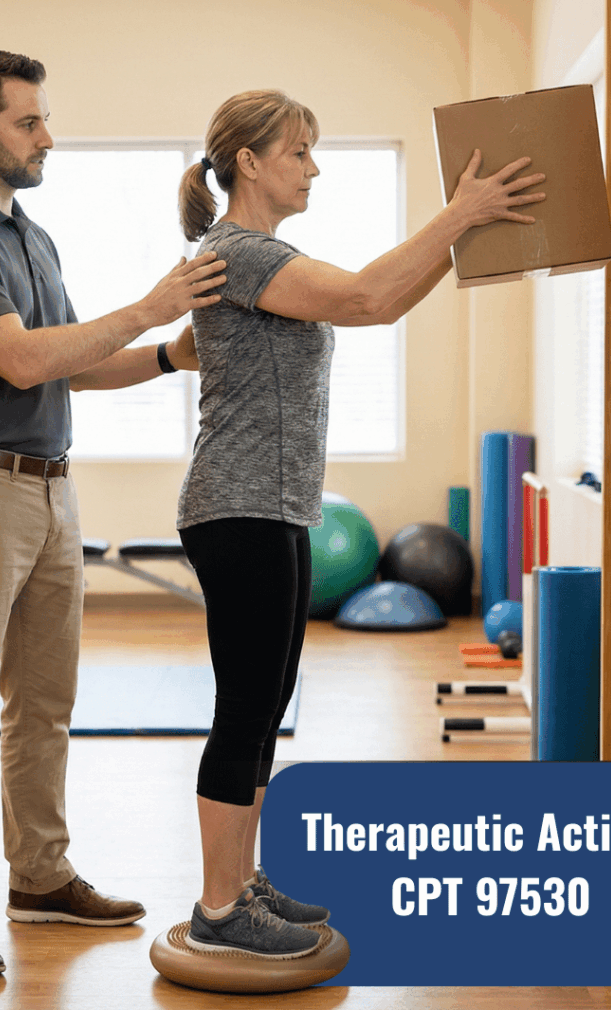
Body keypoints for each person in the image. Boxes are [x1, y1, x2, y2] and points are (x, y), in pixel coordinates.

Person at [175, 89, 545, 958]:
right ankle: (219, 908)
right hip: (238, 506)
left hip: (275, 505)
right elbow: (368, 297)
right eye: (299, 151)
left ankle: (241, 883)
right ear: (248, 162)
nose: (315, 168)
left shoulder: (267, 255)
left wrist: (465, 233)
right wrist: (459, 214)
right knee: (245, 709)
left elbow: (386, 300)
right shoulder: (238, 253)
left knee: (266, 707)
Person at [0, 48, 226, 979]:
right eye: (29, 121)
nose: (48, 137)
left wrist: (170, 353)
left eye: (44, 118)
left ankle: (39, 877)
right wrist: (150, 307)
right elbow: (22, 360)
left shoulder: (31, 237)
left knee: (44, 705)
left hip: (49, 488)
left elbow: (73, 362)